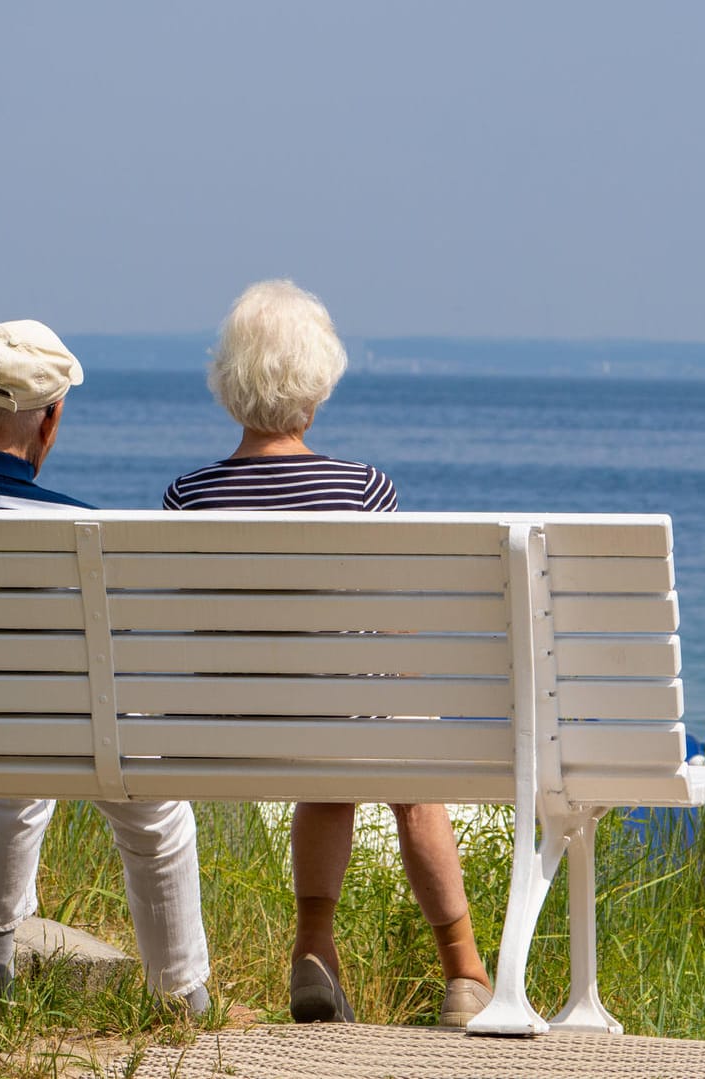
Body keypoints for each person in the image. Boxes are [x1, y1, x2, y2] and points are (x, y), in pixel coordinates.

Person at [163, 281, 494, 1027]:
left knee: (332, 738)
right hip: (338, 725)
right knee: (394, 744)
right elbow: (387, 625)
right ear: (315, 391)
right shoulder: (365, 489)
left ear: (229, 388)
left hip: (230, 732)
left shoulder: (188, 496)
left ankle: (315, 948)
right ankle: (466, 973)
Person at [0, 319, 211, 1015]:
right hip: (33, 733)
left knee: (21, 735)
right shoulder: (84, 531)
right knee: (149, 801)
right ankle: (180, 995)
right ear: (51, 422)